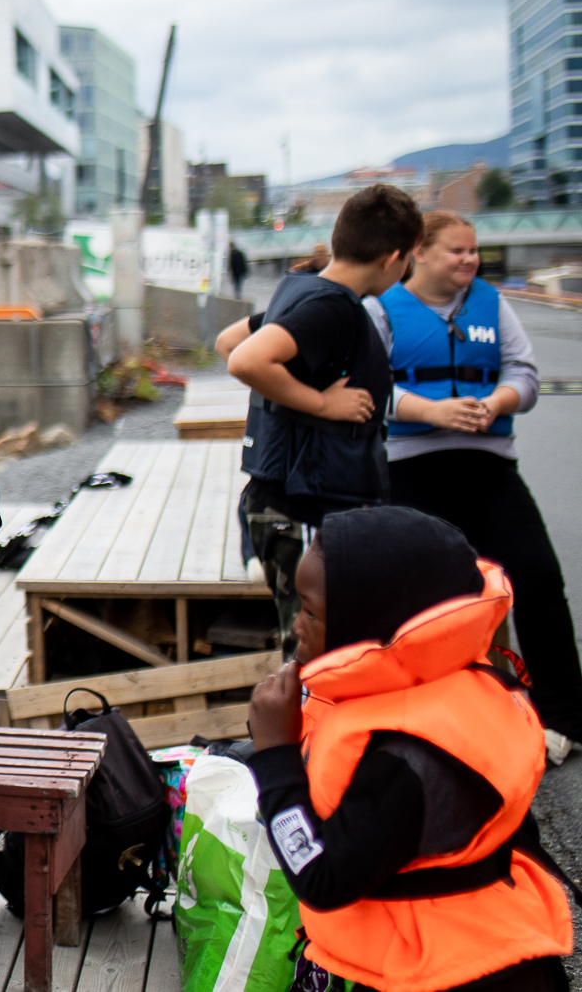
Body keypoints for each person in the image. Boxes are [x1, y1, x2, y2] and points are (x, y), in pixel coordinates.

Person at [247, 507, 572, 991]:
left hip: (456, 974)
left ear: (367, 626)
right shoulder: (455, 689)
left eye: (310, 612)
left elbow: (323, 878)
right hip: (499, 949)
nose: (296, 626)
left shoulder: (403, 760)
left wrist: (275, 756)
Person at [364, 210, 582, 764]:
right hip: (410, 470)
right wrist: (433, 411)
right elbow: (368, 389)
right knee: (423, 597)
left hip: (488, 469)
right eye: (456, 251)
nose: (470, 260)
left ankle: (563, 717)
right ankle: (419, 721)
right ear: (419, 252)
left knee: (538, 577)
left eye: (474, 250)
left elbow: (524, 376)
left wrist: (496, 402)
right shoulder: (381, 310)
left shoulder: (491, 303)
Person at [214, 184, 419, 653]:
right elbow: (244, 359)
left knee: (315, 648)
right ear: (392, 258)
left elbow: (228, 339)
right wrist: (322, 404)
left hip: (282, 500)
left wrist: (291, 395)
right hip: (303, 508)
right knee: (316, 652)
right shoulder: (333, 308)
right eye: (409, 259)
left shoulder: (302, 289)